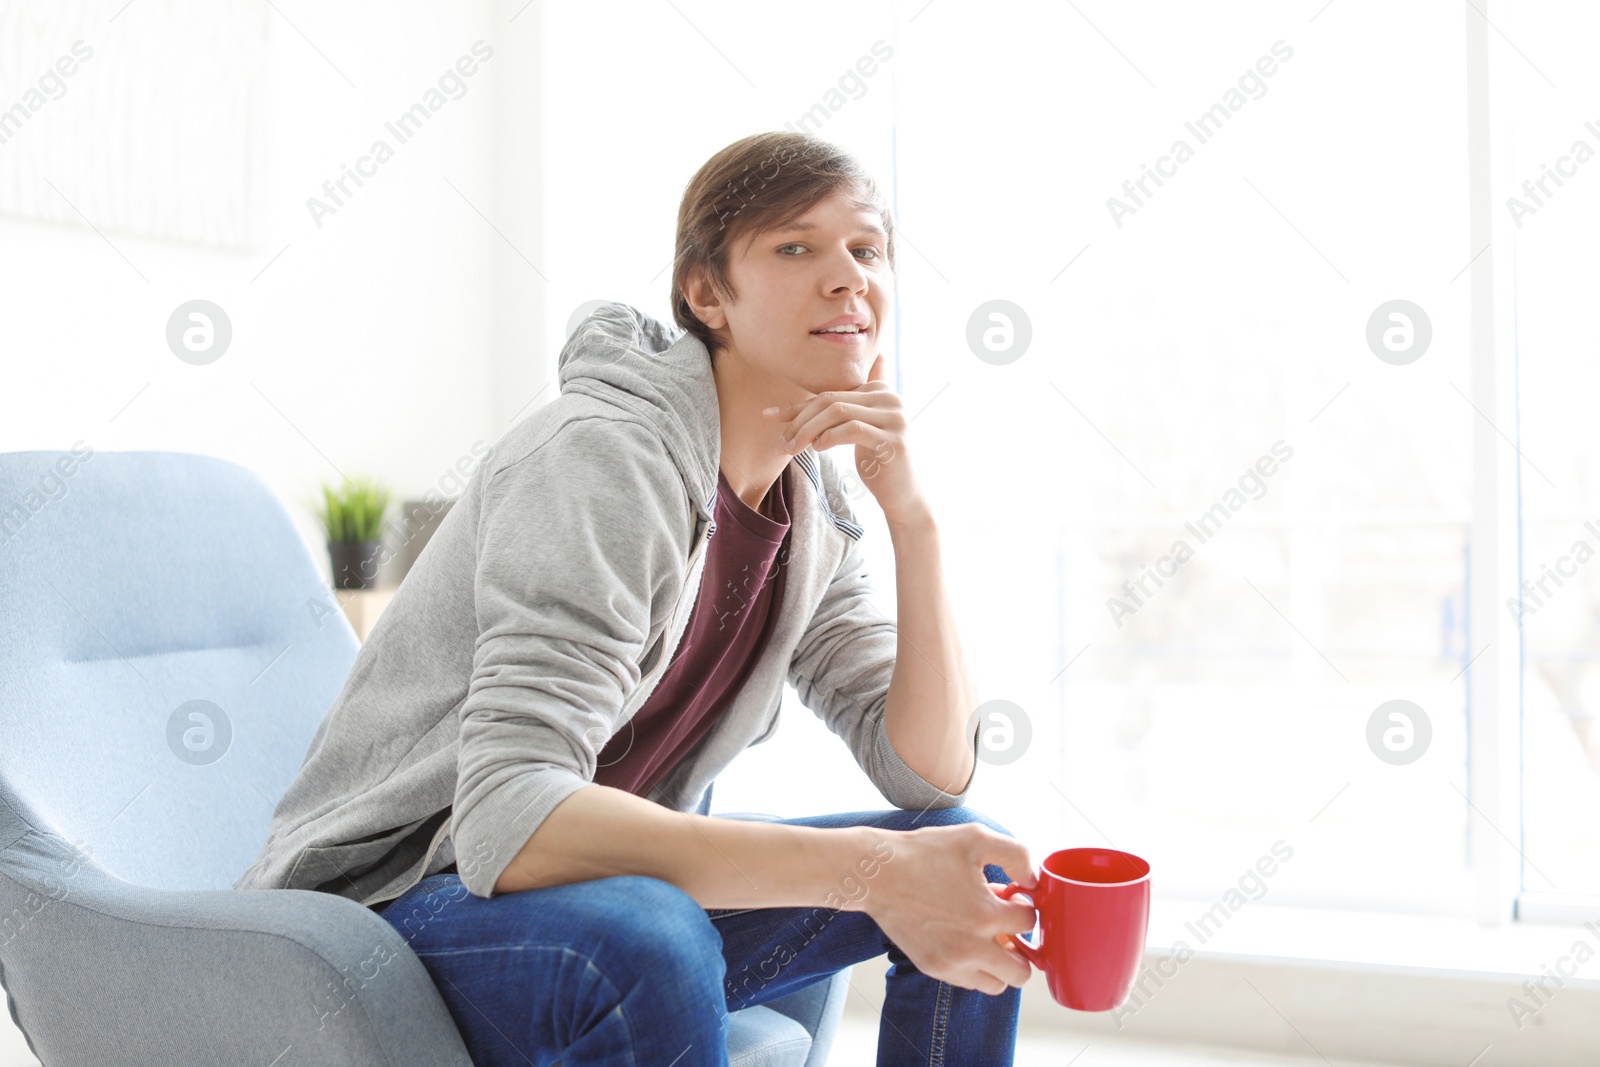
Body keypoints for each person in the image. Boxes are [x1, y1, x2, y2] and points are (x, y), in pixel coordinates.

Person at [234, 130, 1040, 1066]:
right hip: (395, 906)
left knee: (971, 864)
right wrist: (869, 870)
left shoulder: (810, 502)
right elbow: (508, 818)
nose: (847, 277)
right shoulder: (605, 458)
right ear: (707, 295)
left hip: (593, 901)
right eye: (795, 247)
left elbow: (929, 777)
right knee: (656, 931)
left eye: (866, 249)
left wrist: (916, 523)